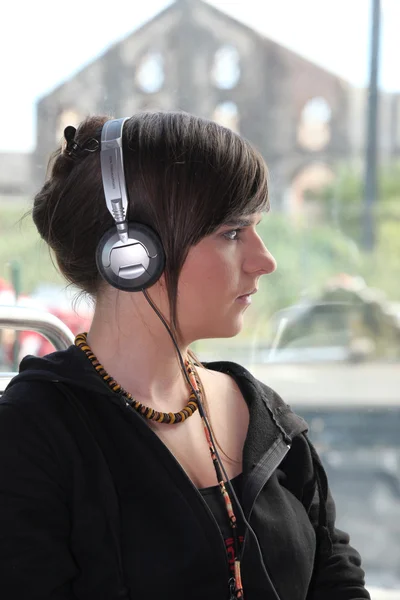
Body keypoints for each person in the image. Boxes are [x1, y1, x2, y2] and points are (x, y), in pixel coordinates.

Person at [0, 112, 370, 600]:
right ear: (131, 252)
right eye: (233, 233)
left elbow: (336, 578)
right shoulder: (29, 438)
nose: (266, 261)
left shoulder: (265, 414)